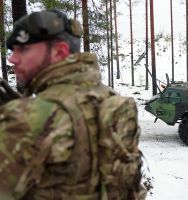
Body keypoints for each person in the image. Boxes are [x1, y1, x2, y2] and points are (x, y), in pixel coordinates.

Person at [0, 10, 145, 199]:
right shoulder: (111, 100)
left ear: (60, 51)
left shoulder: (25, 118)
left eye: (23, 49)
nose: (12, 59)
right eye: (12, 51)